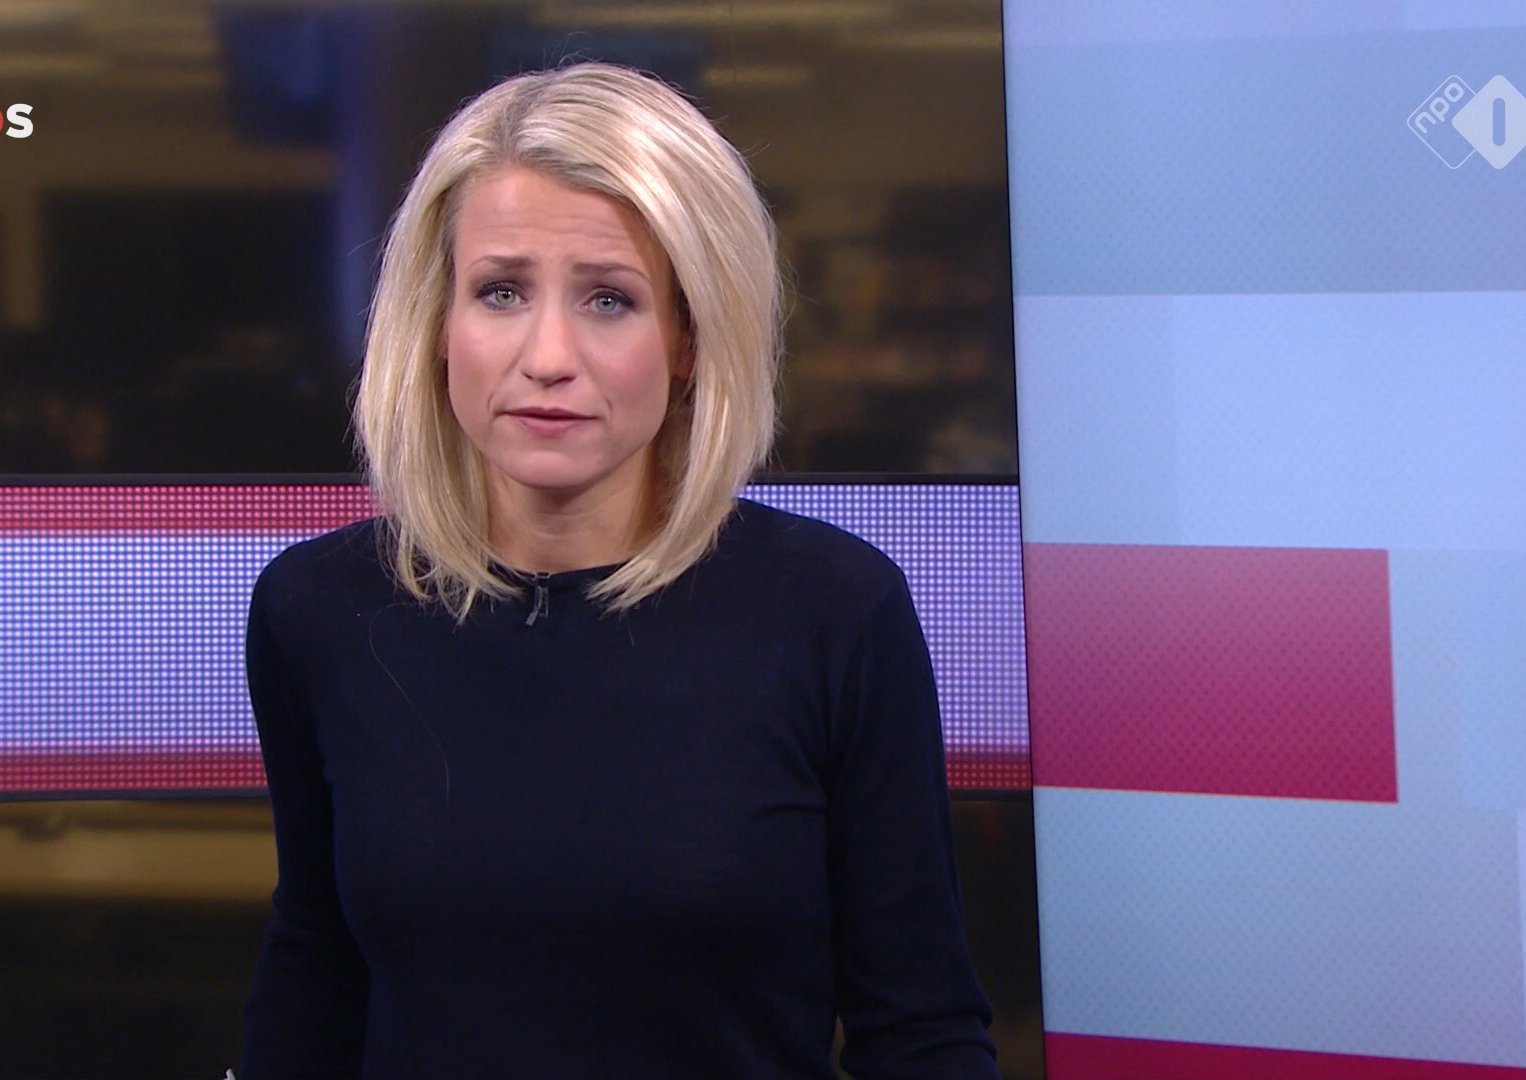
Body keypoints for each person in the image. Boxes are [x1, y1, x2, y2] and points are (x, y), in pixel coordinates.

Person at [239, 62, 998, 1079]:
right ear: (437, 325)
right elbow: (316, 961)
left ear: (689, 338)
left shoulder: (836, 613)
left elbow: (921, 1029)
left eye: (609, 299)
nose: (548, 355)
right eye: (501, 291)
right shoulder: (320, 611)